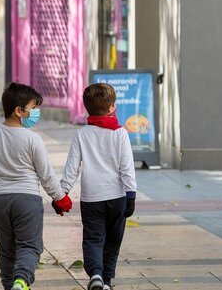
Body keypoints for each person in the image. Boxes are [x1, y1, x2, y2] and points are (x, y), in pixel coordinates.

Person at [0, 82, 73, 290]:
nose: (36, 112)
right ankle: (21, 281)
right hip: (27, 199)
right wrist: (60, 199)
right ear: (19, 111)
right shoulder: (32, 139)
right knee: (29, 246)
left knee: (6, 250)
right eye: (33, 108)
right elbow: (46, 175)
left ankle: (9, 285)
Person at [58, 83, 137, 290]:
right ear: (112, 107)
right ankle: (107, 281)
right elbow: (127, 167)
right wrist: (131, 194)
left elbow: (71, 169)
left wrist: (62, 192)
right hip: (117, 197)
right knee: (113, 240)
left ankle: (95, 275)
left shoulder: (81, 134)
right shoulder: (120, 133)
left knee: (93, 238)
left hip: (91, 198)